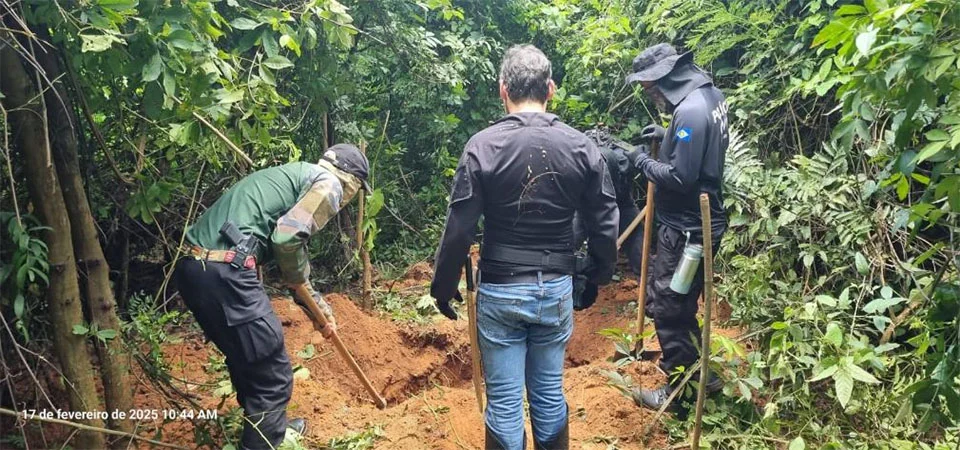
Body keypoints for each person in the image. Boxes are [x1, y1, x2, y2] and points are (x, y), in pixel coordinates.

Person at [430, 44, 619, 450]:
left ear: (503, 90)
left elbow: (459, 228)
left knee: (504, 403)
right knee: (549, 394)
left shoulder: (482, 146)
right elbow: (605, 218)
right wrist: (596, 274)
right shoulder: (582, 147)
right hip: (554, 289)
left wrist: (443, 287)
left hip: (500, 289)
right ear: (550, 88)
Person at [174, 144, 370, 449]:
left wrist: (315, 306)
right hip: (225, 271)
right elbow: (287, 239)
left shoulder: (294, 175)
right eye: (353, 193)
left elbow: (287, 246)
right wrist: (309, 295)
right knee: (271, 372)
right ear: (350, 183)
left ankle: (266, 430)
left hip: (194, 270)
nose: (345, 201)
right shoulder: (329, 184)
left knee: (246, 357)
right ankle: (263, 442)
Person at [622, 43, 729, 410]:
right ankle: (702, 376)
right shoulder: (709, 96)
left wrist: (640, 161)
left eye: (650, 89)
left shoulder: (690, 113)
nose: (650, 96)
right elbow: (694, 147)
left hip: (688, 232)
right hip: (703, 221)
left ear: (663, 81)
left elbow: (681, 178)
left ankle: (680, 393)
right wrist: (667, 135)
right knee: (680, 301)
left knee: (669, 304)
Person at [583, 126, 648, 276]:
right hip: (585, 207)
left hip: (622, 204)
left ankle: (650, 293)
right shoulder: (579, 161)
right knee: (573, 251)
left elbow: (650, 165)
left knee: (640, 253)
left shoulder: (624, 159)